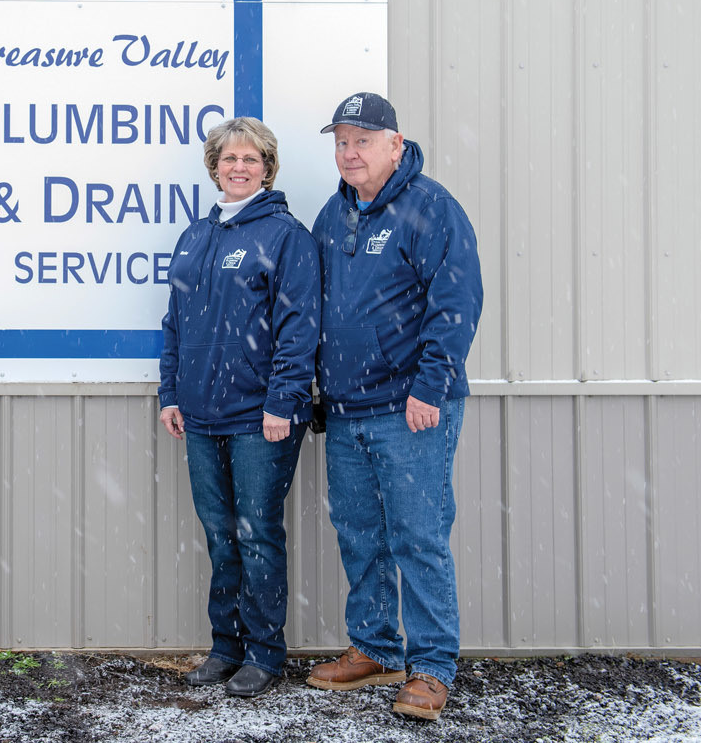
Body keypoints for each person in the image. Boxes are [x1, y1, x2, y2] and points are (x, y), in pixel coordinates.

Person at [305, 92, 482, 721]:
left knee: (418, 535)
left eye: (363, 140)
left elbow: (456, 301)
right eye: (342, 142)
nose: (350, 153)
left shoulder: (430, 207)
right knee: (359, 534)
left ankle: (431, 666)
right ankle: (375, 646)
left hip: (410, 408)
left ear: (395, 145)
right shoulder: (334, 214)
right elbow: (315, 306)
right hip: (347, 410)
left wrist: (430, 386)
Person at [158, 117, 320, 697]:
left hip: (260, 418)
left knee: (256, 535)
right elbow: (174, 322)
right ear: (214, 167)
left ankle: (264, 653)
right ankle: (225, 647)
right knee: (221, 536)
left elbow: (300, 327)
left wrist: (283, 401)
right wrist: (170, 393)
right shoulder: (195, 235)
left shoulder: (285, 236)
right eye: (229, 158)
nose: (239, 167)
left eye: (251, 159)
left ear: (267, 168)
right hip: (200, 415)